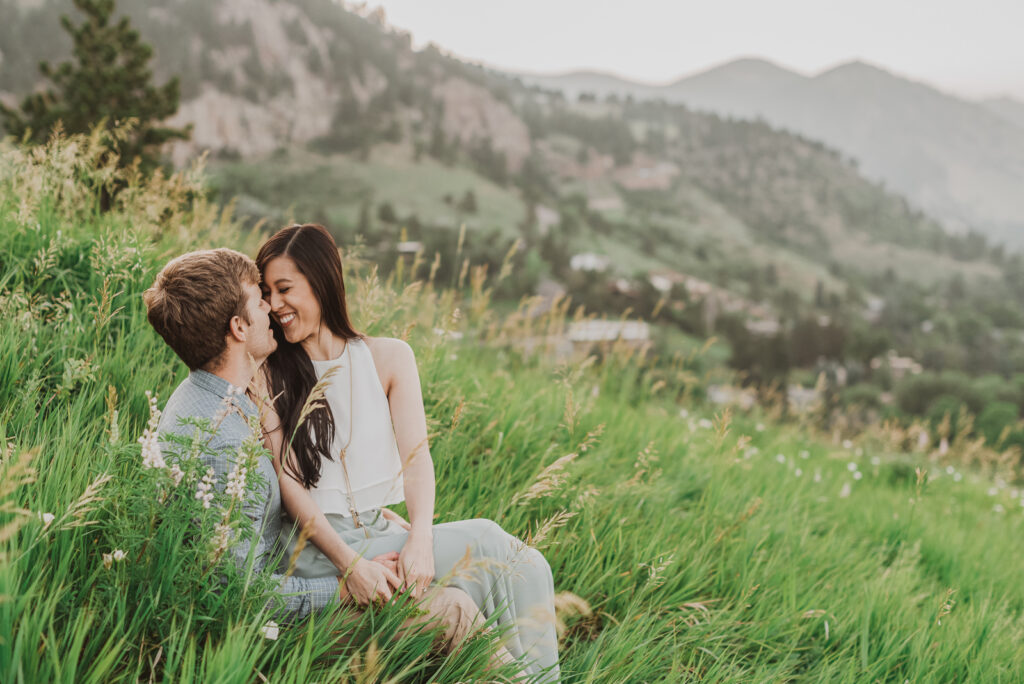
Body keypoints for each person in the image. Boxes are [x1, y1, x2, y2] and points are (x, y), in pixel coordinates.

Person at [142, 247, 491, 653]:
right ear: (239, 327)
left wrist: (365, 521)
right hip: (266, 637)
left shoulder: (205, 398)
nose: (271, 309)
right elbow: (237, 595)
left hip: (290, 581)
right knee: (453, 611)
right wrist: (342, 589)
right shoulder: (225, 446)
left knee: (448, 591)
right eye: (260, 300)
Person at [255, 224, 560, 681]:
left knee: (526, 563)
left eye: (284, 289)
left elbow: (417, 459)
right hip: (316, 548)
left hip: (380, 529)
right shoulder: (269, 373)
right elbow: (290, 485)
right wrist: (350, 564)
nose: (274, 305)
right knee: (497, 548)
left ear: (321, 282)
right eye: (267, 293)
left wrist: (419, 537)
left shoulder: (390, 357)